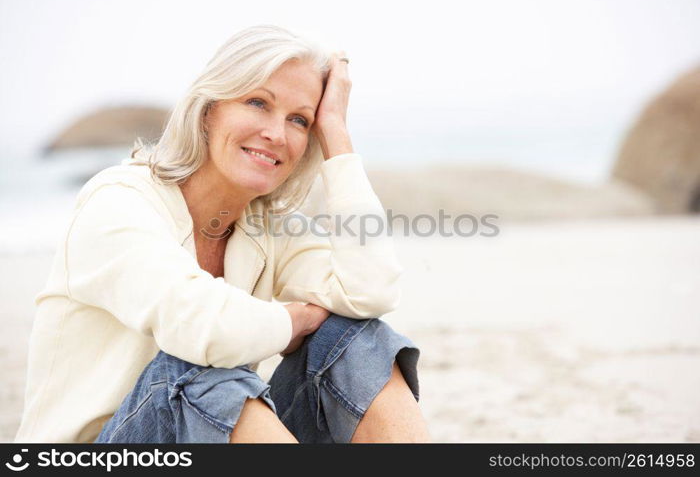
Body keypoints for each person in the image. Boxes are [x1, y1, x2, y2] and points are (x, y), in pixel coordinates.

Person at [15, 25, 429, 443]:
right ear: (209, 108)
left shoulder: (266, 225)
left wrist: (336, 133)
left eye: (299, 120)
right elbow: (204, 329)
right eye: (257, 102)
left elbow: (369, 292)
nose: (276, 133)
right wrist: (294, 318)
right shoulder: (117, 201)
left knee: (355, 338)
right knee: (199, 377)